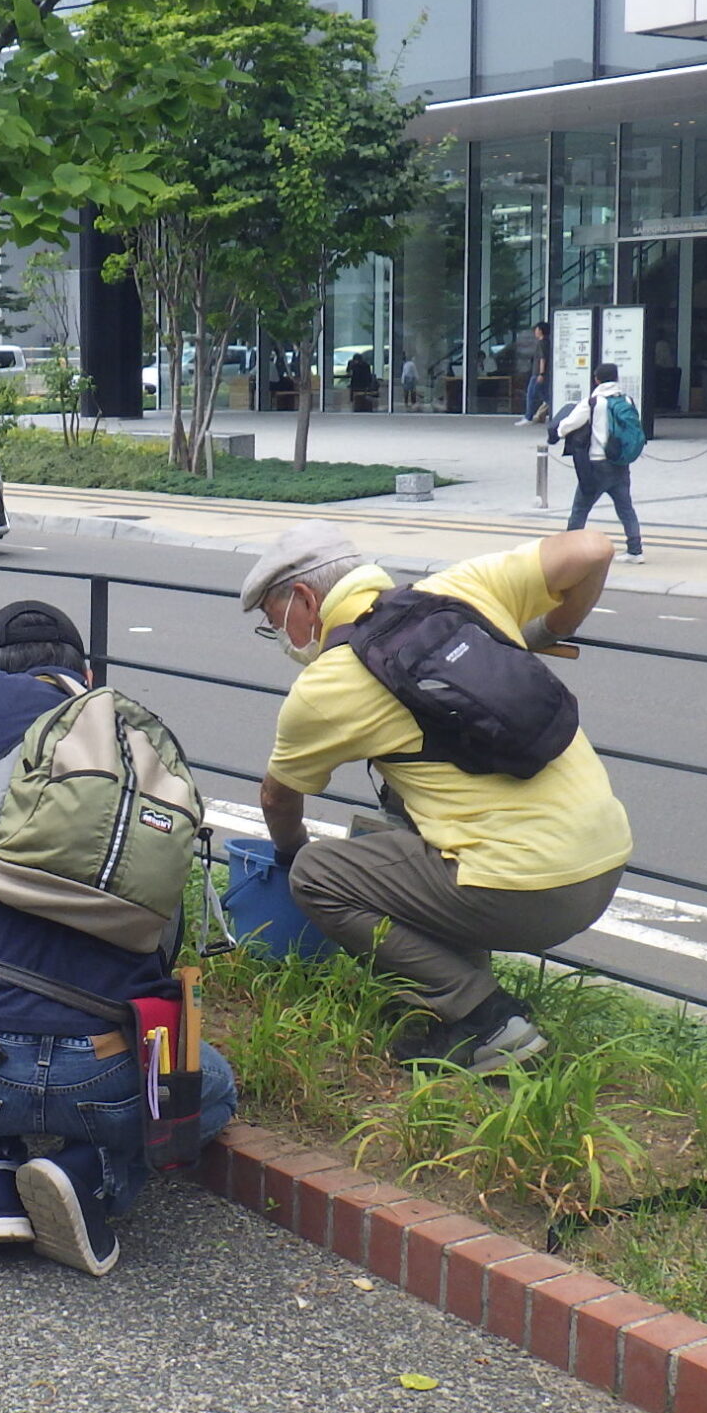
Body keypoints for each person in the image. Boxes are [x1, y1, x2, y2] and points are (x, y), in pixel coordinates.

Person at [0, 601, 237, 1275]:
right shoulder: (136, 746)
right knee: (215, 1085)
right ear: (86, 677)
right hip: (110, 1076)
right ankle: (86, 1173)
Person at [242, 522, 633, 1072]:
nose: (280, 636)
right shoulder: (460, 589)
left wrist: (288, 856)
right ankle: (452, 1001)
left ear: (305, 599)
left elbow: (278, 800)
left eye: (274, 620)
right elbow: (593, 548)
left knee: (317, 874)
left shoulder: (328, 684)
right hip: (606, 861)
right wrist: (544, 630)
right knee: (409, 822)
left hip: (527, 894)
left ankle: (486, 1020)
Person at [554, 363, 647, 563]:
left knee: (580, 508)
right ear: (616, 378)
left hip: (597, 465)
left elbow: (567, 425)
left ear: (596, 379)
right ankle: (635, 550)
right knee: (626, 508)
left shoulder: (593, 402)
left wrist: (558, 430)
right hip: (620, 463)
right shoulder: (627, 400)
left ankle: (568, 552)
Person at [520, 322, 551, 424]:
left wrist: (541, 373)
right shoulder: (547, 342)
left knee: (531, 394)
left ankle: (528, 417)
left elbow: (542, 359)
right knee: (545, 396)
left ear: (541, 331)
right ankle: (556, 408)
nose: (535, 332)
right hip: (542, 374)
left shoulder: (541, 343)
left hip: (538, 374)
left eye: (536, 329)